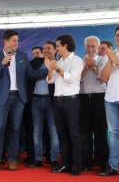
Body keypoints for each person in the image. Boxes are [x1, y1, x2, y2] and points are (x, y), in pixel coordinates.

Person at [0, 29, 48, 171]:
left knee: (16, 129)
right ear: (6, 41)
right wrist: (2, 63)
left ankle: (12, 159)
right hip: (3, 96)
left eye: (17, 40)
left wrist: (49, 69)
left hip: (19, 97)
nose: (17, 43)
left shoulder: (22, 55)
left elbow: (31, 74)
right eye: (14, 40)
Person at [45, 34, 84, 175]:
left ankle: (77, 165)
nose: (56, 49)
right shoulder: (59, 62)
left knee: (74, 134)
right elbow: (50, 81)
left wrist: (56, 69)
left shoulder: (77, 61)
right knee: (61, 134)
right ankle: (65, 164)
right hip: (58, 101)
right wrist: (50, 69)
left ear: (65, 46)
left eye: (58, 46)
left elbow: (72, 79)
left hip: (71, 101)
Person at [27, 42, 59, 169]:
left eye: (49, 48)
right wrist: (47, 70)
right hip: (36, 100)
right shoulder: (36, 63)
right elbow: (31, 75)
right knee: (36, 132)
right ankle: (38, 158)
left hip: (51, 101)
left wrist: (51, 68)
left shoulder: (59, 63)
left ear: (55, 50)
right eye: (44, 48)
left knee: (53, 132)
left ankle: (54, 159)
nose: (46, 50)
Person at [79, 36, 109, 172]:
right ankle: (86, 162)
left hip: (100, 99)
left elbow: (105, 79)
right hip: (83, 99)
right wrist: (85, 68)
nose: (90, 49)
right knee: (84, 133)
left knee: (100, 132)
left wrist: (94, 67)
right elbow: (75, 80)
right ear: (84, 47)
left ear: (98, 48)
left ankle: (102, 161)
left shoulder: (103, 60)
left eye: (93, 46)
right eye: (88, 46)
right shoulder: (79, 62)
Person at [99, 25, 119, 176]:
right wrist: (111, 61)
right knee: (114, 133)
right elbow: (104, 77)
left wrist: (118, 63)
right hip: (111, 98)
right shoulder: (112, 54)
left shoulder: (115, 57)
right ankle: (113, 166)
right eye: (117, 35)